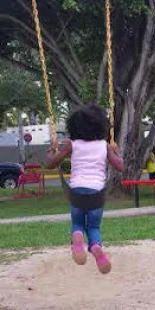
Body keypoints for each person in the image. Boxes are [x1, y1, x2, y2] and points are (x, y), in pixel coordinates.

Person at [47, 104, 125, 274]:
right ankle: (96, 247)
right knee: (94, 227)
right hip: (97, 192)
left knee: (78, 223)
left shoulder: (72, 145)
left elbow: (51, 164)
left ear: (73, 127)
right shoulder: (104, 145)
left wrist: (51, 152)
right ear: (101, 126)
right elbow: (120, 166)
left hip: (77, 191)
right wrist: (117, 152)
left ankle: (77, 240)